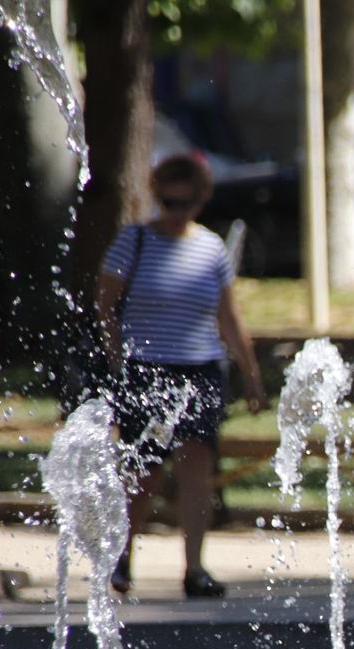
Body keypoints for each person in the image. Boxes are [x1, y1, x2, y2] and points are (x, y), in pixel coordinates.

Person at [97, 153, 267, 599]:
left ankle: (194, 568)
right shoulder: (132, 241)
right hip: (145, 370)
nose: (177, 212)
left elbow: (229, 316)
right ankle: (122, 558)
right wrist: (117, 363)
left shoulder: (211, 247)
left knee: (197, 468)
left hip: (201, 369)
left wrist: (251, 374)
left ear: (201, 199)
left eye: (186, 203)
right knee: (143, 471)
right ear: (157, 197)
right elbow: (106, 308)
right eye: (169, 202)